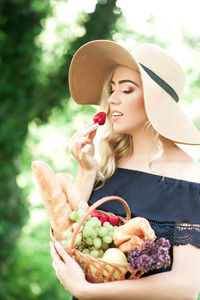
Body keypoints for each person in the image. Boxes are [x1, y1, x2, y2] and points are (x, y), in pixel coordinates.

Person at [49, 40, 200, 300]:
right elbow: (69, 239)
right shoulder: (106, 164)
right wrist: (86, 171)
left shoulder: (189, 179)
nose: (112, 99)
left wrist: (87, 291)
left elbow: (185, 286)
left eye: (127, 90)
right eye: (111, 89)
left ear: (156, 103)